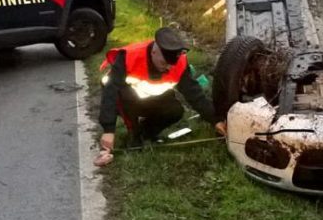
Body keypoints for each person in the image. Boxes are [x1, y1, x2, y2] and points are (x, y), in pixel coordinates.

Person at [95, 27, 226, 164]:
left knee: (176, 110)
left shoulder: (178, 62)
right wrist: (108, 130)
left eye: (171, 65)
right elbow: (111, 90)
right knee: (126, 98)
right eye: (164, 63)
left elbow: (194, 94)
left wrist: (215, 120)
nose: (168, 68)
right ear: (154, 52)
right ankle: (133, 132)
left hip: (151, 97)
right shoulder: (129, 57)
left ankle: (145, 132)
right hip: (124, 99)